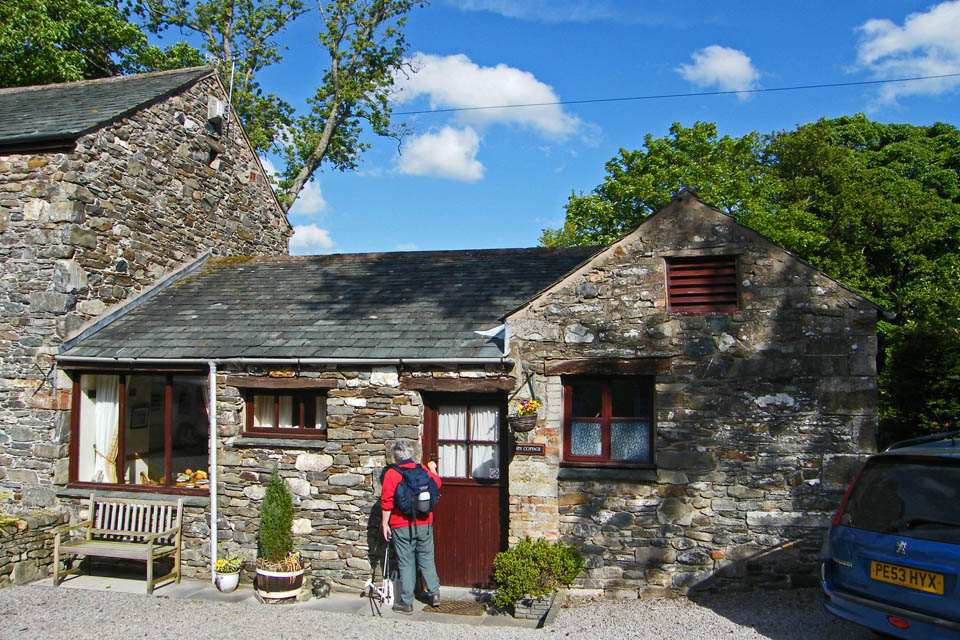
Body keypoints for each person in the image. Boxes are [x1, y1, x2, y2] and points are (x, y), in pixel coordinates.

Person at [380, 438, 442, 614]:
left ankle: (406, 602)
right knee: (427, 557)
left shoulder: (392, 474)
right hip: (425, 522)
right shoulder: (421, 469)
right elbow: (437, 484)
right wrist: (433, 470)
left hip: (401, 524)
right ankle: (434, 593)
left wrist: (385, 524)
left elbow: (387, 502)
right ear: (411, 455)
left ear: (396, 457)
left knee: (406, 562)